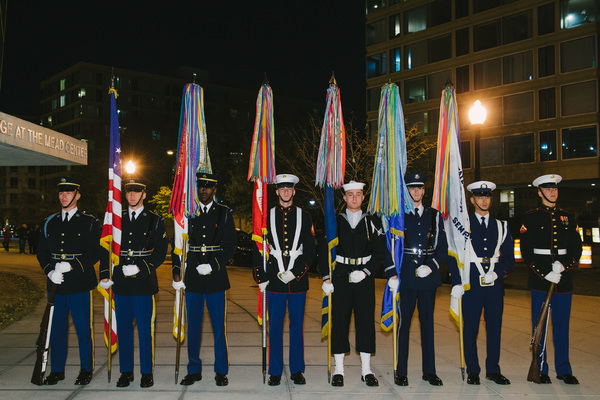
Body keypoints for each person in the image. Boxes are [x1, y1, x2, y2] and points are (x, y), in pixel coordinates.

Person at [99, 178, 168, 388]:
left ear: (144, 194)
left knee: (145, 330)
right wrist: (104, 274)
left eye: (137, 192)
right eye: (129, 192)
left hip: (144, 282)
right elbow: (106, 246)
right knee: (124, 330)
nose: (132, 195)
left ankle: (146, 372)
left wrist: (140, 267)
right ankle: (126, 371)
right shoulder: (116, 219)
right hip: (121, 281)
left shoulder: (155, 220)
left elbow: (161, 251)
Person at [173, 172, 237, 387]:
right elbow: (178, 245)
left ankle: (221, 370)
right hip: (192, 276)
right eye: (201, 186)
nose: (204, 190)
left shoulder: (224, 213)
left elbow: (230, 246)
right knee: (193, 327)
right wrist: (177, 273)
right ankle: (194, 369)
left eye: (208, 187)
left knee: (219, 327)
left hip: (216, 277)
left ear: (215, 190)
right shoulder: (187, 213)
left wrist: (213, 264)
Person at [448, 181, 514, 385]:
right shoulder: (463, 226)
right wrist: (457, 282)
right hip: (471, 284)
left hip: (494, 285)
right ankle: (473, 370)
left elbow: (510, 257)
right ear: (472, 200)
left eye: (487, 196)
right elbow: (452, 254)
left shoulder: (501, 225)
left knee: (494, 328)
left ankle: (493, 370)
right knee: (471, 329)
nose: (484, 200)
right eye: (479, 196)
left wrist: (498, 274)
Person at [252, 174, 316, 386]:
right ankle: (275, 371)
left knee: (297, 327)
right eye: (282, 188)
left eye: (290, 188)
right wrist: (260, 276)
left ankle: (297, 370)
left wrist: (297, 272)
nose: (286, 192)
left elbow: (310, 250)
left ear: (294, 191)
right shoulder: (265, 216)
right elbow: (258, 247)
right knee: (276, 327)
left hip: (297, 281)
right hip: (275, 280)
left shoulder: (305, 216)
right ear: (277, 191)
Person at [321, 181, 386, 387]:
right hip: (340, 276)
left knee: (365, 322)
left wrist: (366, 271)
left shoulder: (372, 221)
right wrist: (326, 277)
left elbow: (380, 251)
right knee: (339, 322)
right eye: (350, 194)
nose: (355, 198)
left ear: (363, 197)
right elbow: (324, 249)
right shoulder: (335, 221)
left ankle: (366, 370)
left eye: (358, 194)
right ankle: (338, 370)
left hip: (364, 278)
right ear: (344, 197)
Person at [36, 177, 101, 385]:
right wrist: (49, 271)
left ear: (77, 195)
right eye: (61, 193)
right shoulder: (50, 222)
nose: (64, 196)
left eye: (68, 193)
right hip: (55, 284)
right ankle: (57, 370)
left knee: (83, 330)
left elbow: (95, 252)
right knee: (56, 331)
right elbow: (42, 253)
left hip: (80, 284)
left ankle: (86, 369)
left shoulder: (89, 222)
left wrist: (72, 265)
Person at [520, 174, 582, 385]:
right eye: (547, 189)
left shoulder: (568, 216)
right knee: (540, 327)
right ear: (539, 192)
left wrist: (564, 266)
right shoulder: (531, 217)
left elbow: (577, 247)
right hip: (540, 280)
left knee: (562, 326)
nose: (552, 192)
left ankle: (564, 369)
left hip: (563, 281)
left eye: (554, 188)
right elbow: (526, 250)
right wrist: (544, 272)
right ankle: (542, 368)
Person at [388, 172, 447, 387]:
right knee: (403, 326)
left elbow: (443, 249)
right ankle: (401, 370)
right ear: (407, 190)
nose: (415, 191)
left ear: (424, 191)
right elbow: (391, 245)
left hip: (428, 279)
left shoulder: (435, 215)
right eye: (411, 188)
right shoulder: (399, 215)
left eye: (419, 188)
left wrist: (431, 268)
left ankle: (429, 371)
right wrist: (394, 273)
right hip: (407, 278)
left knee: (427, 325)